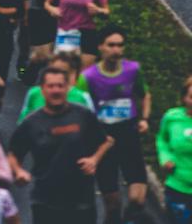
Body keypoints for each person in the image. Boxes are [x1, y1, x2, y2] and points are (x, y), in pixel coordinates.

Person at [8, 66, 114, 223]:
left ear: (67, 88)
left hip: (81, 199)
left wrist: (94, 160)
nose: (56, 90)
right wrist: (18, 171)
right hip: (45, 199)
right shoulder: (31, 122)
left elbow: (105, 141)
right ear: (42, 89)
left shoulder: (83, 115)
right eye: (51, 86)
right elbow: (13, 153)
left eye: (60, 86)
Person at [76, 25, 151, 224]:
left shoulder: (133, 70)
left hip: (128, 134)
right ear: (101, 47)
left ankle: (130, 219)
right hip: (103, 140)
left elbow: (144, 95)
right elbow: (79, 110)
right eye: (111, 45)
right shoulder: (88, 77)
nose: (116, 50)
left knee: (138, 199)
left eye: (120, 45)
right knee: (113, 205)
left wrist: (144, 119)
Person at [157, 75, 192, 223]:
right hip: (177, 186)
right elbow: (162, 140)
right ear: (184, 98)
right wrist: (165, 158)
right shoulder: (172, 117)